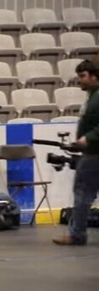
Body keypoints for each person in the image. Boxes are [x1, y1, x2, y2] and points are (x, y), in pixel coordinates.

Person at [53, 60, 99, 246]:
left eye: (82, 76)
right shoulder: (92, 96)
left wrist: (87, 139)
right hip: (92, 152)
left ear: (94, 76)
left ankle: (77, 234)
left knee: (82, 195)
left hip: (94, 154)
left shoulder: (97, 97)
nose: (79, 80)